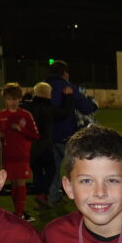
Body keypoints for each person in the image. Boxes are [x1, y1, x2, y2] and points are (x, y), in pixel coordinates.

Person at [45, 60, 99, 203]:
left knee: (52, 168)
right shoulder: (67, 87)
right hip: (66, 134)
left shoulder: (43, 87)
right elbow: (87, 107)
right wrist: (93, 104)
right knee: (79, 166)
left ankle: (52, 197)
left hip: (46, 135)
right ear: (64, 73)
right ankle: (83, 195)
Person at [21, 82, 71, 210]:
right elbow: (65, 112)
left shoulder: (28, 106)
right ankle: (42, 194)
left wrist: (27, 95)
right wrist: (68, 97)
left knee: (37, 171)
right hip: (44, 145)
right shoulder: (47, 109)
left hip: (30, 146)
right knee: (51, 169)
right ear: (48, 94)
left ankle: (40, 197)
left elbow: (23, 103)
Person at [0, 83, 40, 221]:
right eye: (9, 99)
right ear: (5, 99)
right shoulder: (1, 115)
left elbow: (36, 135)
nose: (12, 102)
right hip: (7, 154)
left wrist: (21, 130)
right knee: (13, 184)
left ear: (20, 99)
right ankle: (18, 212)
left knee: (21, 183)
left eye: (15, 99)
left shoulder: (25, 115)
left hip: (21, 154)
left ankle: (20, 214)